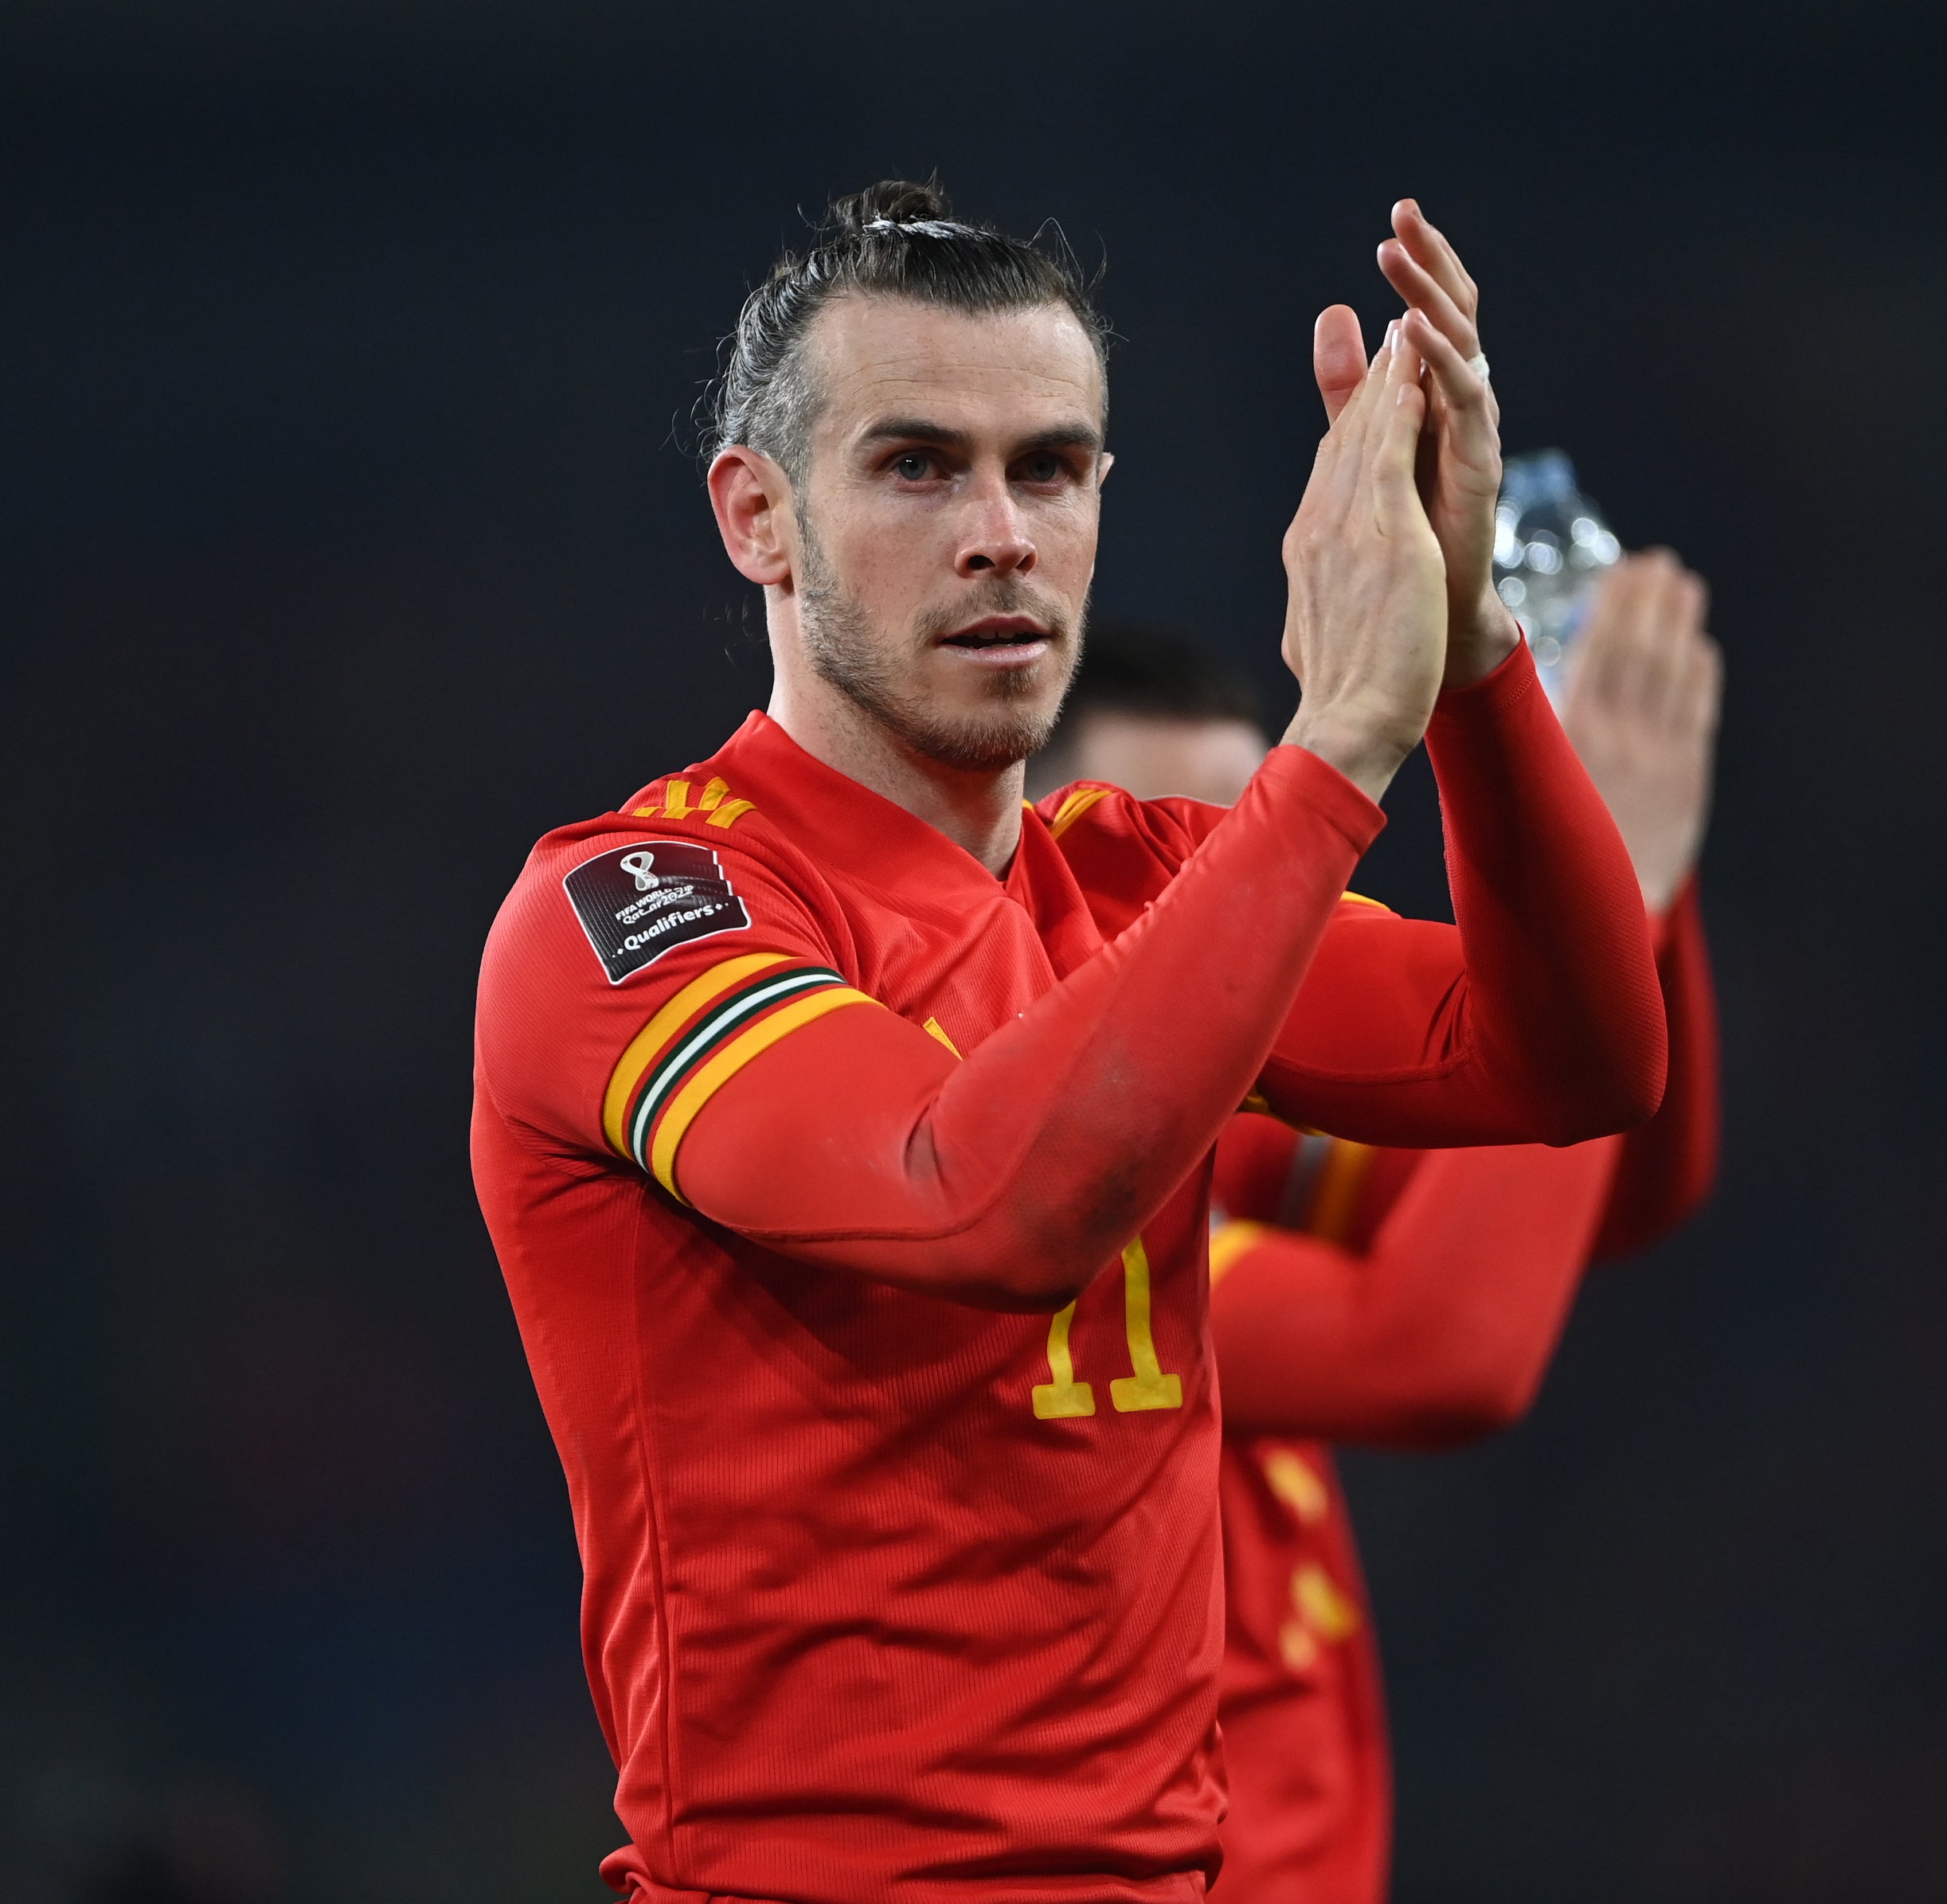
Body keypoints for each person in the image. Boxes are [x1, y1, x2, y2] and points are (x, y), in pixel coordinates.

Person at [469, 177, 1671, 1904]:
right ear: (759, 517)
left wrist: (1473, 651)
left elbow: (1577, 1057)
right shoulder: (637, 908)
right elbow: (978, 1199)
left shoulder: (1138, 881)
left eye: (1050, 467)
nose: (1000, 531)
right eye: (915, 465)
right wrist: (1335, 744)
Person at [1032, 557, 1722, 1904]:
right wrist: (1621, 883)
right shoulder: (1033, 1205)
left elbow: (1619, 1183)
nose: (1229, 923)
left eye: (1245, 856)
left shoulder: (1242, 1134)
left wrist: (1623, 884)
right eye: (1148, 866)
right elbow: (1438, 1344)